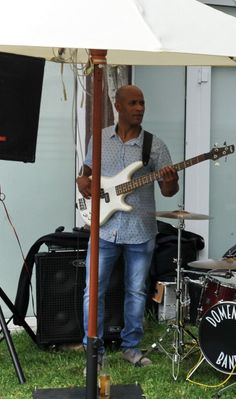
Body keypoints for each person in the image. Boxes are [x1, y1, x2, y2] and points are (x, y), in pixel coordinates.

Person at [76, 85, 179, 367]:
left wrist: (169, 179)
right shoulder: (99, 139)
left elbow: (169, 192)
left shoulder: (154, 145)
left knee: (136, 291)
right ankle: (92, 349)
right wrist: (81, 182)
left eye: (142, 103)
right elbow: (86, 175)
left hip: (141, 229)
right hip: (103, 228)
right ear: (118, 106)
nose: (139, 108)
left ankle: (131, 347)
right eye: (133, 103)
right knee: (93, 289)